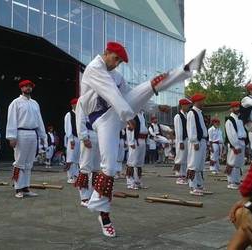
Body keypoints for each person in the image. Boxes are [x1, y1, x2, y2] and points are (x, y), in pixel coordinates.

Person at [78, 41, 204, 237]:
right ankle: (104, 216)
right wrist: (128, 116)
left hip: (116, 113)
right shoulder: (94, 69)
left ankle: (186, 69)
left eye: (120, 61)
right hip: (102, 120)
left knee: (148, 86)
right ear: (107, 52)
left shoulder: (117, 75)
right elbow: (112, 94)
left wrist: (153, 106)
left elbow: (130, 94)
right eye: (116, 59)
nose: (117, 63)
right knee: (109, 168)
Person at [6, 80, 47, 198]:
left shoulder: (35, 103)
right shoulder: (16, 102)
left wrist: (43, 136)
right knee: (19, 161)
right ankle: (18, 188)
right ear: (21, 88)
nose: (28, 88)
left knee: (29, 162)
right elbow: (11, 120)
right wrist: (11, 137)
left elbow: (39, 121)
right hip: (21, 133)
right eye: (25, 86)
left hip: (33, 133)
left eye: (30, 86)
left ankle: (26, 187)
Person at [74, 102, 100, 207]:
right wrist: (84, 137)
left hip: (99, 133)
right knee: (85, 166)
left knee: (96, 167)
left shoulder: (100, 100)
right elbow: (80, 120)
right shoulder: (83, 100)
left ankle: (93, 194)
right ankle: (84, 197)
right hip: (89, 133)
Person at [187, 93, 209, 196]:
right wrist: (194, 141)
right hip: (196, 141)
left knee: (200, 164)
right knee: (194, 163)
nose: (203, 102)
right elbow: (191, 128)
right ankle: (193, 186)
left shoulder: (200, 113)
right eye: (202, 100)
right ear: (197, 101)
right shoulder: (192, 113)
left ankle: (199, 184)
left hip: (202, 140)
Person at [224, 101, 247, 190]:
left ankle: (237, 180)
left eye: (238, 107)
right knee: (232, 162)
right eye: (236, 107)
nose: (238, 109)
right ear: (232, 108)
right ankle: (231, 181)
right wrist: (236, 145)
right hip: (235, 143)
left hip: (242, 142)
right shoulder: (230, 120)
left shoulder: (239, 119)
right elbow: (231, 134)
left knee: (238, 163)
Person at [126, 111, 148, 190]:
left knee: (139, 162)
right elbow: (129, 129)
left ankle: (137, 181)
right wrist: (131, 141)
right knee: (132, 161)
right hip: (135, 140)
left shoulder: (142, 114)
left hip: (142, 140)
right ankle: (130, 182)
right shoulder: (132, 114)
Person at [173, 98, 192, 185]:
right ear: (182, 106)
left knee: (185, 158)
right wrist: (180, 141)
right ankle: (179, 176)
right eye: (187, 105)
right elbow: (178, 130)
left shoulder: (187, 115)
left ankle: (184, 175)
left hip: (186, 139)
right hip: (181, 139)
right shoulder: (178, 116)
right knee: (180, 158)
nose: (188, 107)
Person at [64, 98, 80, 184]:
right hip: (72, 138)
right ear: (73, 105)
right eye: (76, 104)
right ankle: (70, 176)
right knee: (71, 157)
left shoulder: (81, 114)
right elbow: (68, 127)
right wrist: (71, 138)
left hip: (79, 138)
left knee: (77, 158)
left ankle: (76, 175)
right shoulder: (69, 115)